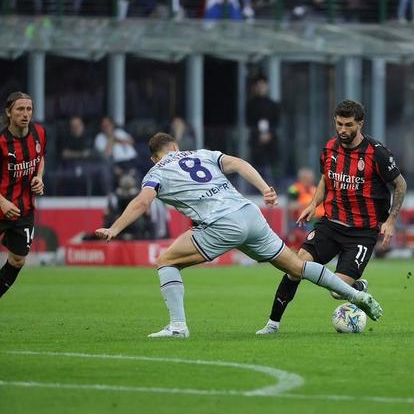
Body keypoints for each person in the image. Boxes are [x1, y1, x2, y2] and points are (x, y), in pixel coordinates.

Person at [95, 132, 383, 338]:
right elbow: (240, 164)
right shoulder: (202, 154)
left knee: (166, 262)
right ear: (176, 147)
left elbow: (142, 202)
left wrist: (115, 228)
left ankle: (178, 326)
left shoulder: (156, 172)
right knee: (297, 267)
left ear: (153, 157)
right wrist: (265, 189)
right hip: (250, 214)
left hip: (221, 224)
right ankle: (355, 295)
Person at [256, 100, 407, 335]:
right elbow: (326, 178)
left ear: (360, 124)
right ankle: (272, 324)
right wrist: (313, 203)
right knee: (295, 267)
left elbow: (400, 184)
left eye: (348, 125)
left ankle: (356, 287)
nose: (342, 130)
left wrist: (390, 220)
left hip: (361, 232)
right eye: (339, 124)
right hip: (330, 224)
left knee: (337, 292)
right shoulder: (329, 148)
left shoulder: (377, 152)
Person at [0, 92, 46, 299]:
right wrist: (2, 202)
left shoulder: (39, 133)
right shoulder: (1, 142)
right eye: (20, 109)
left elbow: (40, 157)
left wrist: (39, 178)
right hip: (1, 206)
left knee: (18, 260)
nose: (25, 114)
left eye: (29, 109)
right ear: (9, 112)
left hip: (23, 209)